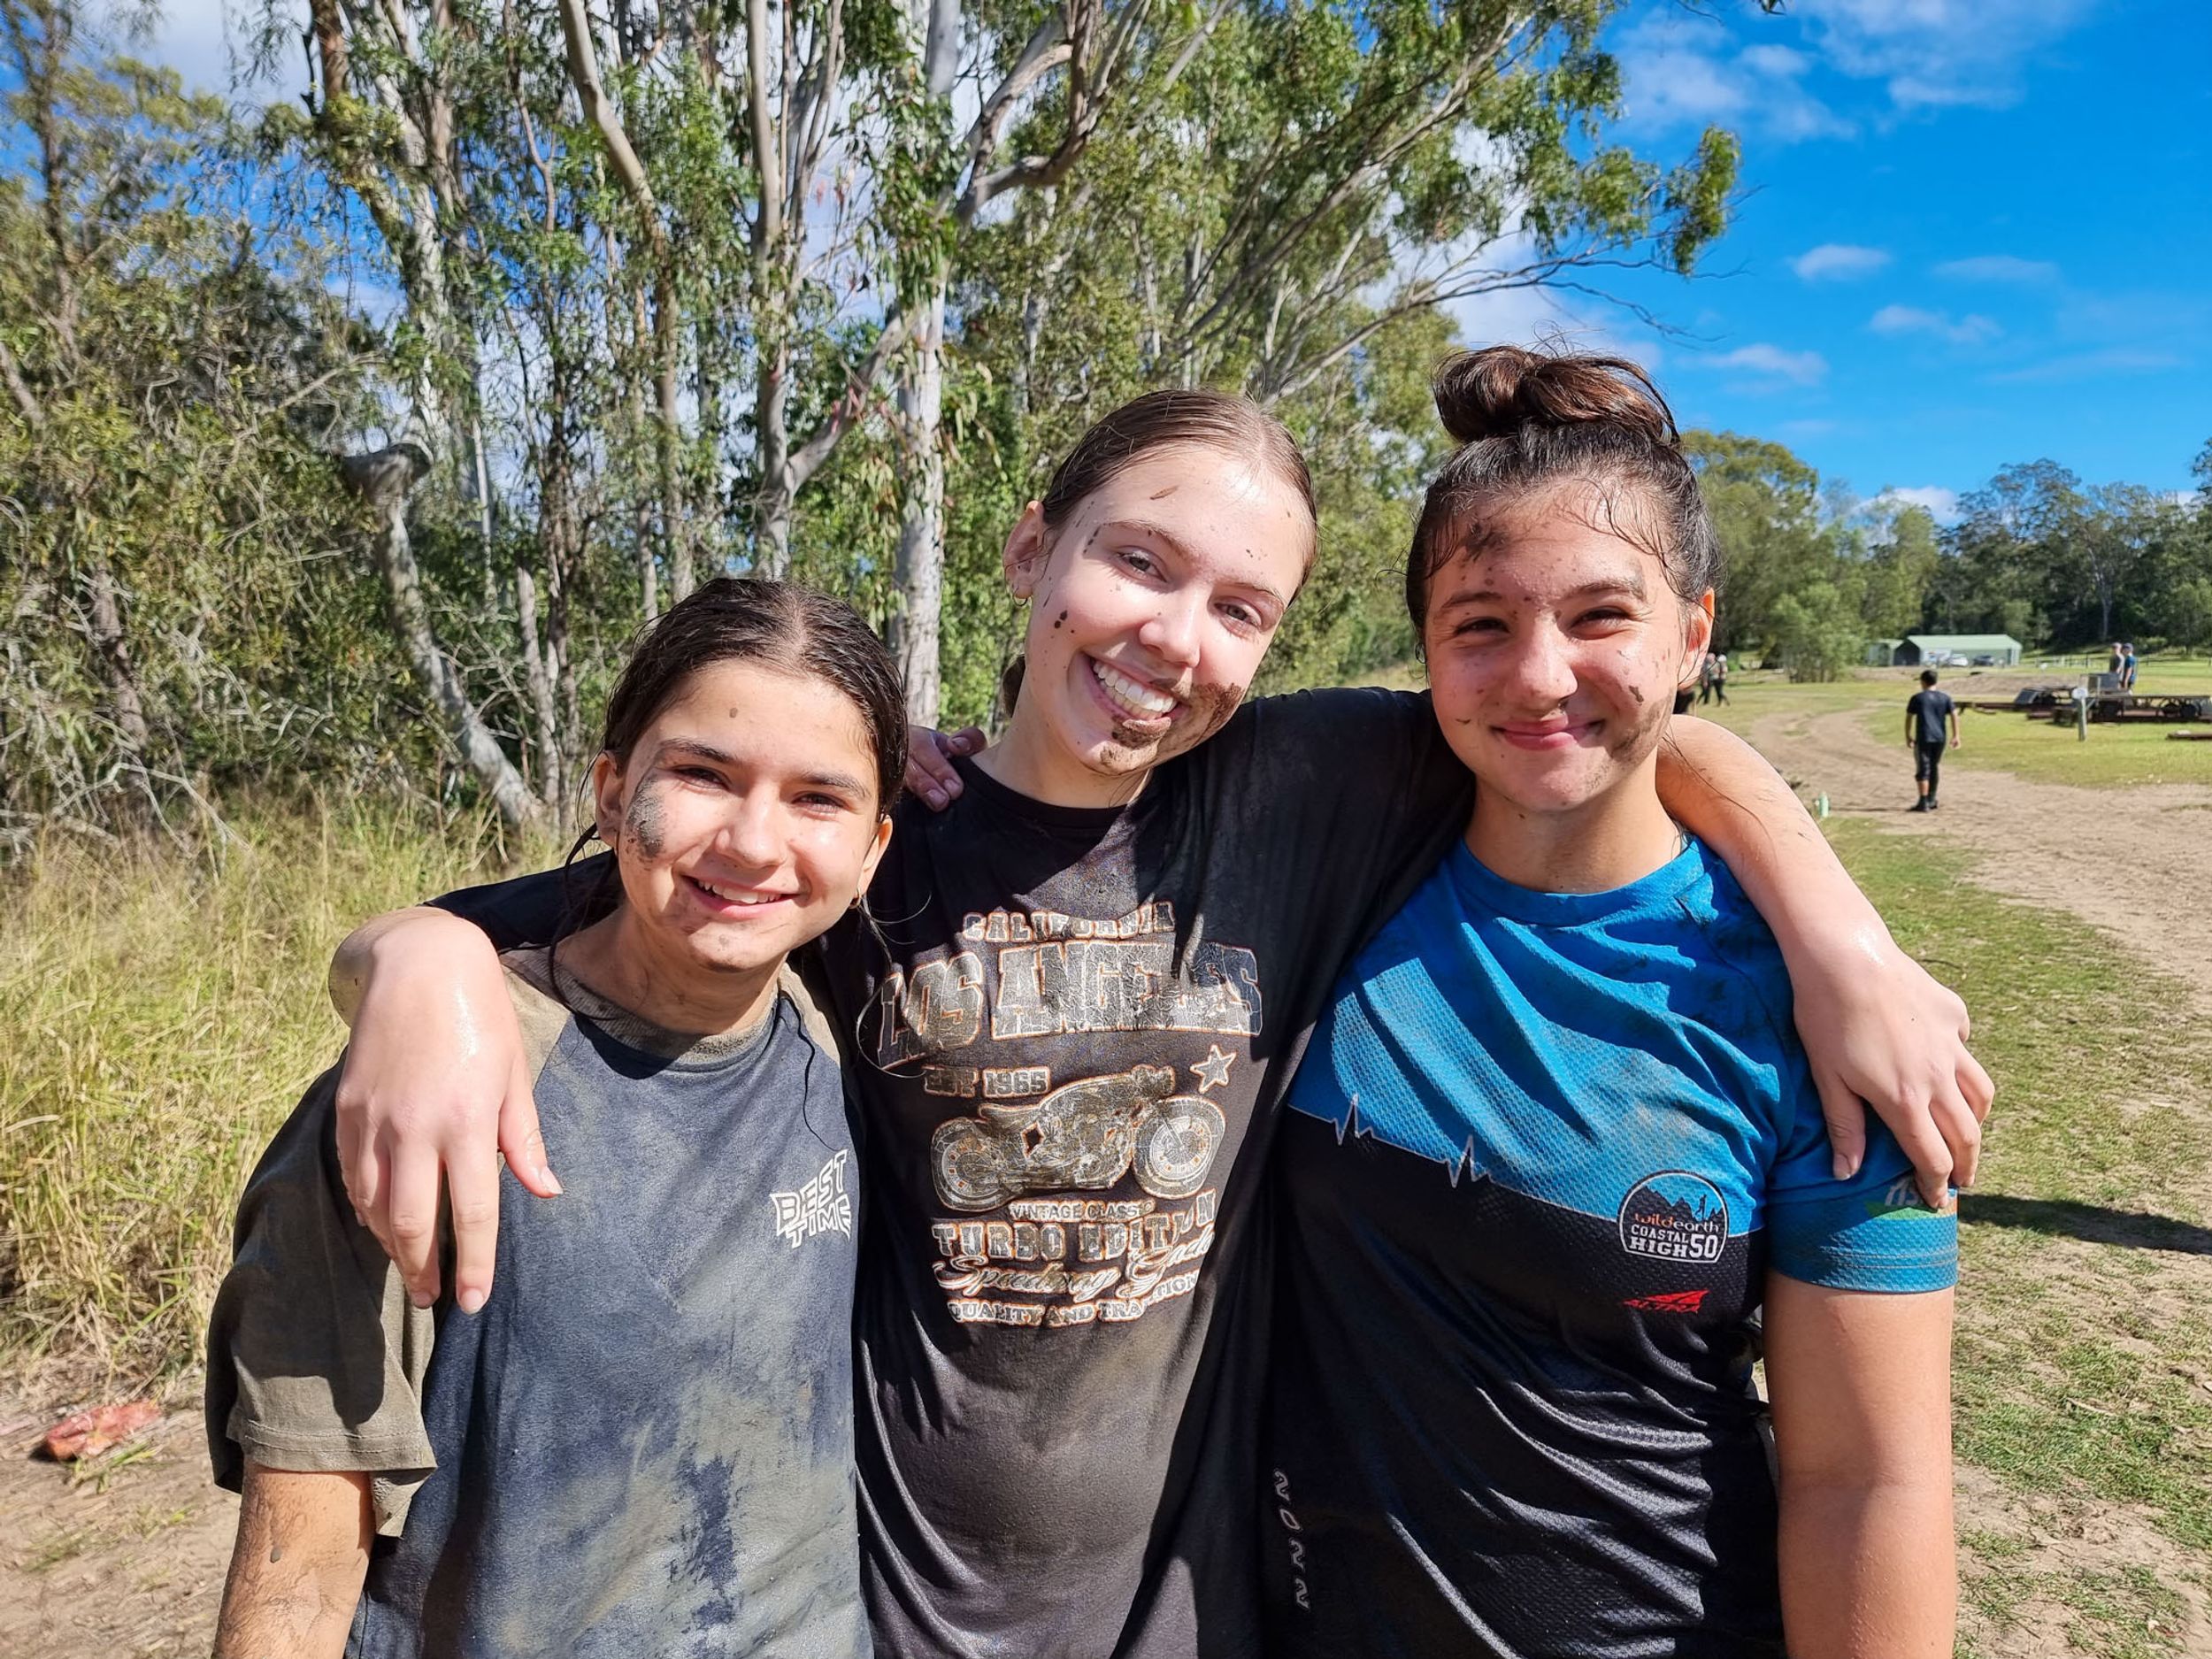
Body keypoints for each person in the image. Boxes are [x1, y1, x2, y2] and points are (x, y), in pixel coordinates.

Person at [322, 390, 1988, 1656]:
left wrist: (1837, 933)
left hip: (1202, 1611)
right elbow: (618, 895)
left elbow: (1601, 722)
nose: (1175, 637)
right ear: (1031, 548)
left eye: (1242, 608)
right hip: (895, 1604)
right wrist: (413, 961)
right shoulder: (874, 831)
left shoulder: (1304, 791)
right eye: (1137, 560)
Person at [1263, 349, 1956, 1659]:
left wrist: (1844, 945)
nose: (1537, 674)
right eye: (1480, 623)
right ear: (1425, 646)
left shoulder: (1818, 1020)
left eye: (1600, 617)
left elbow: (1869, 1482)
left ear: (1693, 634)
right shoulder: (1332, 879)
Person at [204, 580, 903, 1658]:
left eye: (818, 799)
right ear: (613, 793)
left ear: (872, 849)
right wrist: (417, 953)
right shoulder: (438, 1087)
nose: (754, 843)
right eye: (704, 775)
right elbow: (297, 1574)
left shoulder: (832, 1032)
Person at [1906, 668, 1960, 812]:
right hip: (1940, 737)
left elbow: (1909, 717)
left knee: (1923, 768)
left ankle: (1923, 802)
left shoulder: (1917, 698)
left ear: (1923, 682)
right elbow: (1954, 715)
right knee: (1934, 767)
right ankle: (1932, 799)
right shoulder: (1945, 697)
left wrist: (1908, 735)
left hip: (1924, 736)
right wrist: (1956, 735)